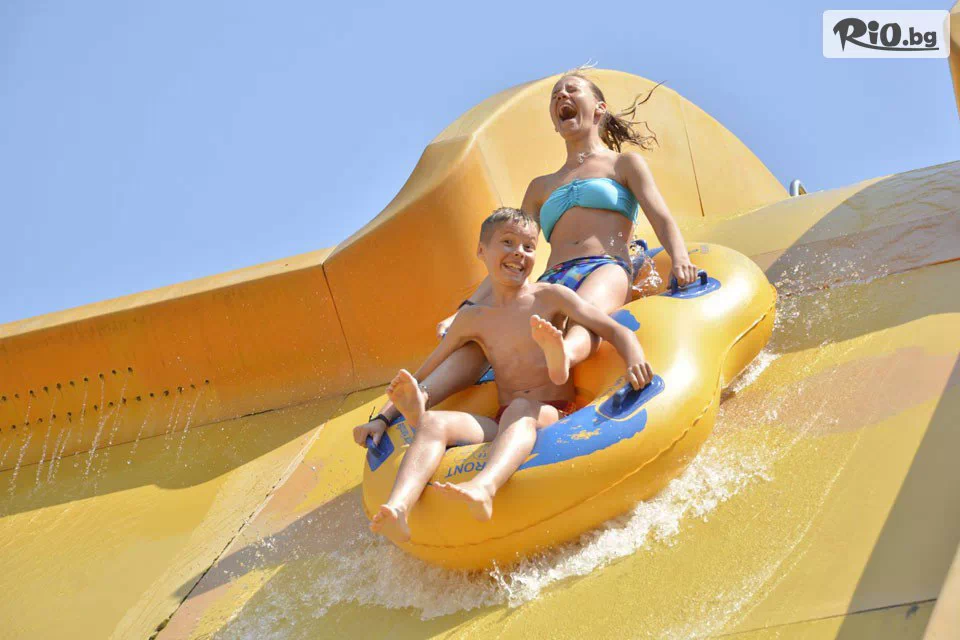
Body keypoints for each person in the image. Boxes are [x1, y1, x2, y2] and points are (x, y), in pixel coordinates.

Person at [354, 70, 696, 459]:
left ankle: (563, 355)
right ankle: (398, 410)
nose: (561, 96)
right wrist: (464, 311)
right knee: (481, 339)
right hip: (551, 278)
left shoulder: (623, 165)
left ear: (599, 108)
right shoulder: (540, 187)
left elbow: (660, 217)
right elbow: (508, 261)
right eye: (555, 95)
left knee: (587, 318)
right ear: (554, 121)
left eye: (572, 90)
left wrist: (681, 258)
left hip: (604, 265)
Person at [362, 208, 652, 543]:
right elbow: (426, 370)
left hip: (553, 411)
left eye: (529, 247)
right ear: (481, 251)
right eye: (508, 242)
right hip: (501, 421)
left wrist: (635, 358)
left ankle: (485, 486)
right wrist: (382, 419)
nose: (519, 252)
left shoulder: (549, 296)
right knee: (433, 423)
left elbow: (613, 329)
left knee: (520, 408)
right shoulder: (472, 319)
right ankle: (399, 507)